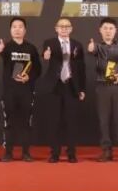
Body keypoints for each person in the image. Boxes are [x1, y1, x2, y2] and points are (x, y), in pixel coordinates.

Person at [37, 18, 86, 163]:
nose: (64, 28)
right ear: (56, 28)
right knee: (54, 121)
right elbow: (45, 54)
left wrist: (82, 89)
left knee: (71, 121)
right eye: (61, 26)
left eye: (67, 26)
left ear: (71, 29)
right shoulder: (50, 43)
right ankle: (55, 153)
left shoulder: (77, 45)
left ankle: (71, 153)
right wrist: (45, 55)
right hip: (54, 86)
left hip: (71, 86)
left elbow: (81, 68)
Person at [87, 18, 118, 163]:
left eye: (111, 28)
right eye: (105, 28)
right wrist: (91, 49)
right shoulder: (97, 47)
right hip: (102, 86)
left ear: (115, 31)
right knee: (103, 120)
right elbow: (91, 51)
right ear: (100, 30)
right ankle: (106, 151)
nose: (108, 31)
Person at [0, 17, 42, 162]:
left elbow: (38, 69)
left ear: (25, 30)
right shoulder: (6, 47)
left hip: (26, 91)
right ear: (10, 30)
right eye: (14, 27)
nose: (17, 29)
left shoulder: (31, 48)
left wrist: (29, 77)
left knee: (26, 122)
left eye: (20, 26)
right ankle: (8, 153)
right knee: (9, 122)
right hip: (10, 91)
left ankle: (26, 152)